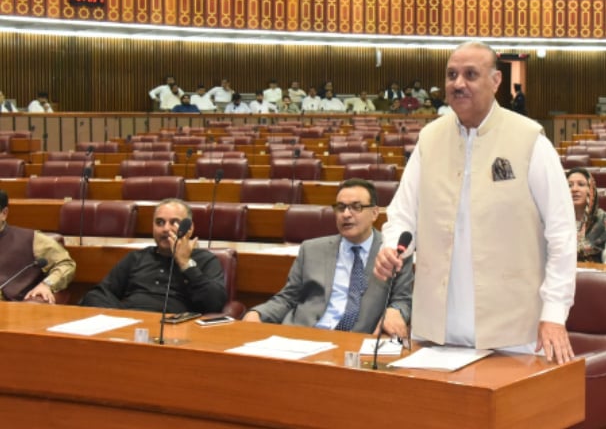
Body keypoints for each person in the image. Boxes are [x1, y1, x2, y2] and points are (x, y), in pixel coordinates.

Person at [374, 41, 576, 363]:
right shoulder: (430, 138)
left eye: (470, 74)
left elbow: (562, 233)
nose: (458, 84)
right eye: (451, 75)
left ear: (496, 81)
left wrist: (554, 312)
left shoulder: (530, 140)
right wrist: (391, 246)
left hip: (513, 329)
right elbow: (402, 214)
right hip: (437, 324)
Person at [243, 179, 413, 337]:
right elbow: (288, 298)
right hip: (303, 335)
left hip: (355, 340)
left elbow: (402, 300)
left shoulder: (393, 252)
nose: (346, 214)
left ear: (375, 213)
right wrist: (258, 313)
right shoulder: (311, 249)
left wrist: (396, 310)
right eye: (340, 207)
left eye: (356, 207)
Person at [81, 199, 227, 313]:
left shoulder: (205, 259)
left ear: (189, 228)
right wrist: (120, 316)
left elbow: (214, 303)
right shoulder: (136, 258)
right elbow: (99, 293)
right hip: (128, 324)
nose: (165, 229)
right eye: (160, 222)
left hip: (174, 330)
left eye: (174, 222)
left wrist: (185, 263)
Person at [0, 190, 75, 303]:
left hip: (11, 310)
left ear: (4, 213)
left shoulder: (31, 239)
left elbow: (65, 264)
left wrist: (46, 284)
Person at [567, 168, 606, 266]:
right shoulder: (555, 222)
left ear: (591, 191)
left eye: (581, 184)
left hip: (596, 278)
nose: (574, 189)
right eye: (569, 185)